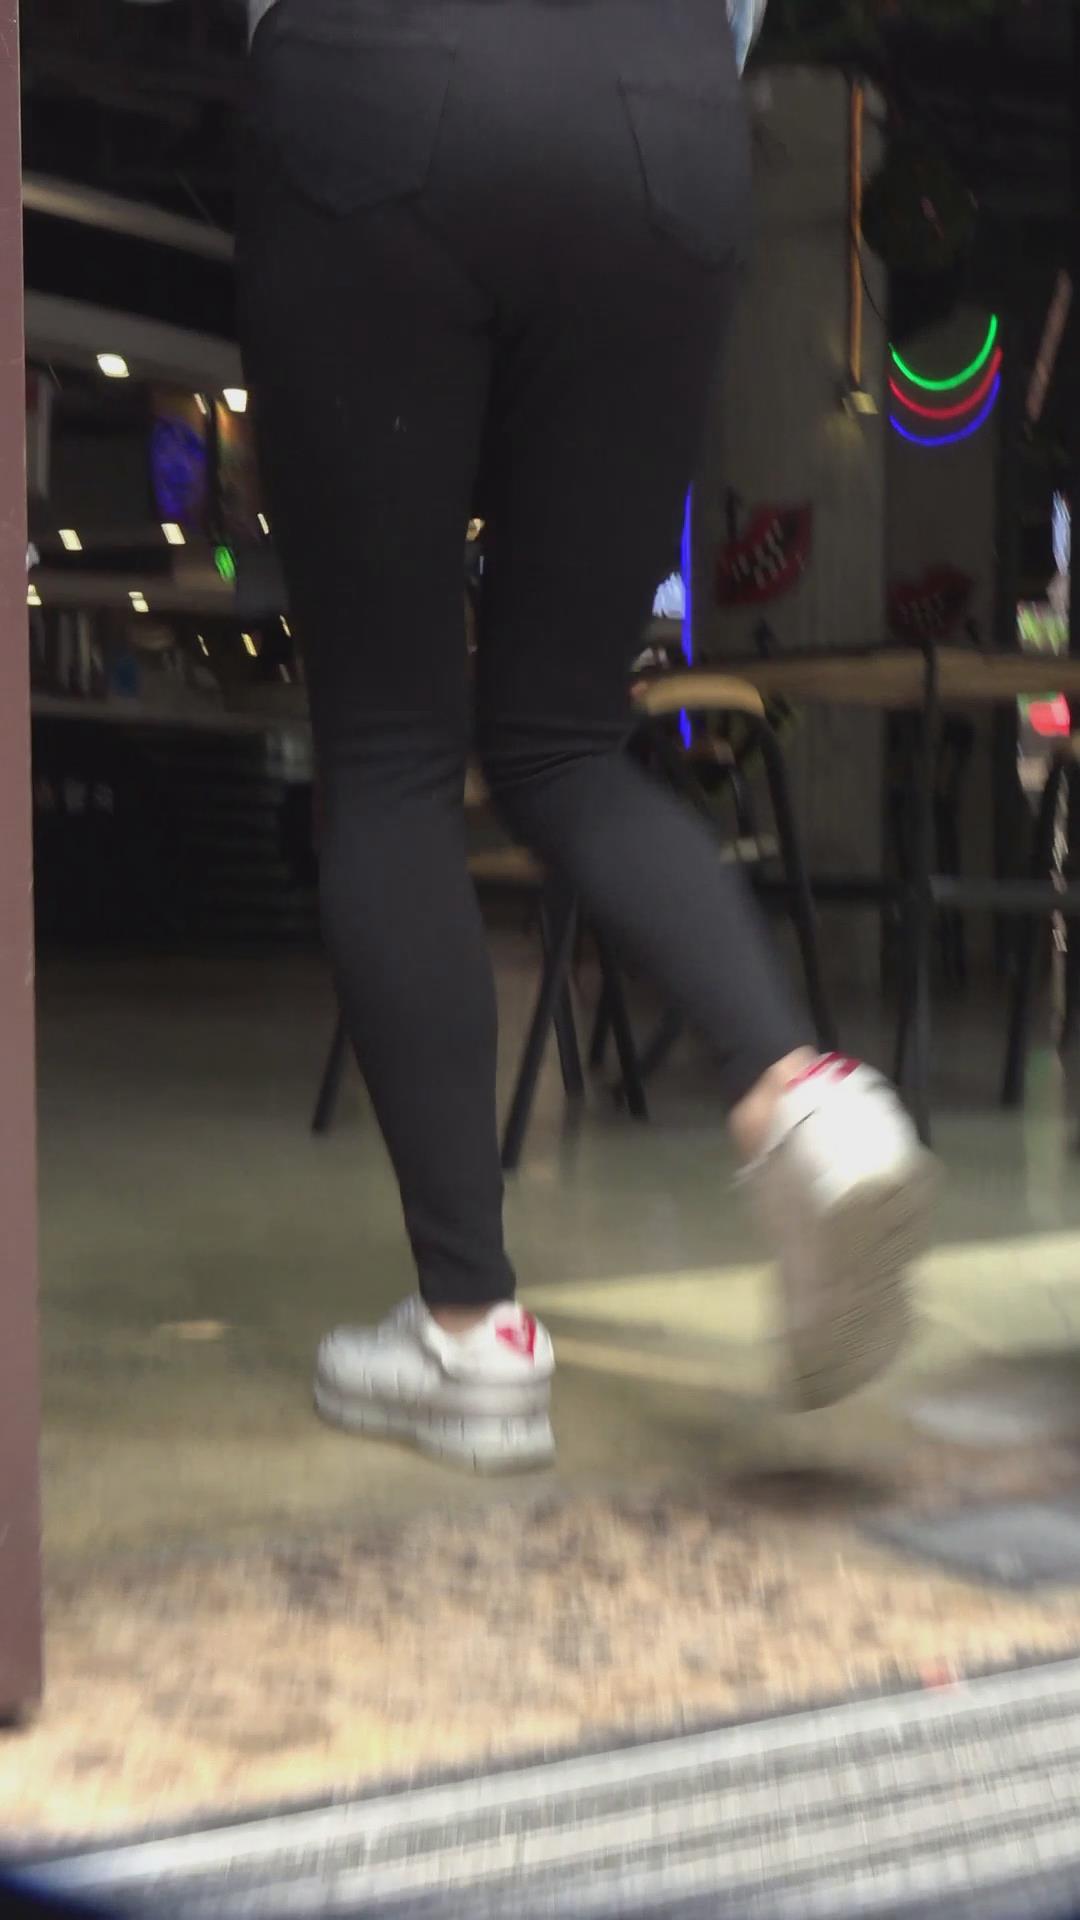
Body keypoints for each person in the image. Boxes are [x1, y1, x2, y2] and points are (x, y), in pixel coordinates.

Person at [239, 0, 935, 1473]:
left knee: (389, 749)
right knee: (562, 738)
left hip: (381, 86)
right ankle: (801, 1102)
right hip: (659, 115)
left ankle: (470, 1334)